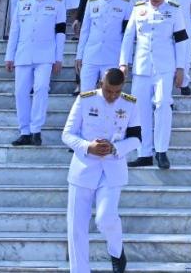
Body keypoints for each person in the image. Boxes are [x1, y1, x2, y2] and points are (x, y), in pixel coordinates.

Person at [62, 67, 141, 273]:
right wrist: (88, 146)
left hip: (112, 169)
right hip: (84, 168)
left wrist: (117, 148)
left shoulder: (130, 103)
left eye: (116, 91)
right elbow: (67, 134)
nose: (112, 96)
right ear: (100, 85)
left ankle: (116, 251)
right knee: (77, 229)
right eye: (108, 91)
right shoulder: (85, 100)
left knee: (105, 218)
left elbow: (136, 138)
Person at [119, 0, 190, 169]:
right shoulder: (138, 9)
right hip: (142, 68)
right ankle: (144, 153)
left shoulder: (174, 10)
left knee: (162, 105)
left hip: (164, 68)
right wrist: (123, 63)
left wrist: (181, 68)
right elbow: (128, 37)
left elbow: (182, 41)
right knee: (140, 111)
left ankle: (161, 151)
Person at [5, 0, 66, 146]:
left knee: (41, 89)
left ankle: (36, 130)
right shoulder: (23, 2)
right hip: (23, 54)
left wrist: (58, 57)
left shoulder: (57, 4)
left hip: (45, 55)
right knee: (20, 92)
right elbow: (14, 30)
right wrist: (9, 56)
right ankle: (24, 131)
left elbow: (60, 33)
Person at [76, 0, 132, 94]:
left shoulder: (125, 4)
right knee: (85, 94)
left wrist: (124, 61)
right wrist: (79, 55)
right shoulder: (92, 2)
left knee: (108, 94)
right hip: (91, 55)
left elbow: (127, 35)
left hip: (112, 56)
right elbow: (85, 30)